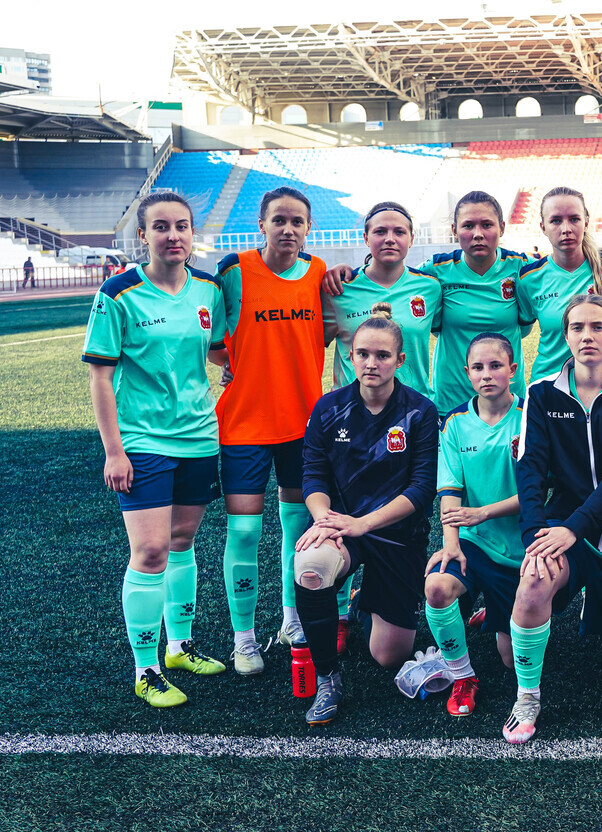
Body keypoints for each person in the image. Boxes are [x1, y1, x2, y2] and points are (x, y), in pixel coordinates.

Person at [83, 192, 228, 708]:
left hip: (199, 436)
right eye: (161, 227)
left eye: (182, 226)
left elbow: (217, 350)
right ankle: (145, 670)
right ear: (142, 235)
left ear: (192, 233)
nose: (173, 235)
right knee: (149, 551)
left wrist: (234, 367)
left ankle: (179, 647)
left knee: (183, 541)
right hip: (142, 441)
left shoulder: (209, 290)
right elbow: (101, 377)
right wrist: (114, 451)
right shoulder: (118, 292)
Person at [502, 294, 602, 743]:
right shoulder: (541, 392)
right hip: (563, 522)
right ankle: (527, 696)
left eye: (598, 327)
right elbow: (530, 469)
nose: (588, 336)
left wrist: (575, 527)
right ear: (565, 336)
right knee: (533, 580)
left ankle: (600, 599)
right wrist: (535, 535)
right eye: (578, 328)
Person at [294, 303, 439, 724]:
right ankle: (328, 679)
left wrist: (364, 523)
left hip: (397, 536)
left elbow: (421, 489)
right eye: (363, 354)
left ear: (400, 360)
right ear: (350, 355)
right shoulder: (328, 408)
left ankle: (366, 599)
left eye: (382, 355)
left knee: (388, 655)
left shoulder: (420, 411)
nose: (371, 363)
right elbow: (313, 475)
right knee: (310, 567)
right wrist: (325, 519)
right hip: (342, 528)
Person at [212, 186, 330, 674]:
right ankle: (243, 638)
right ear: (260, 224)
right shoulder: (234, 271)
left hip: (303, 424)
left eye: (297, 221)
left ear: (308, 228)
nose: (288, 228)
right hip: (244, 423)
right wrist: (233, 363)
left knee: (297, 529)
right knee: (243, 531)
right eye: (278, 219)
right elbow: (211, 337)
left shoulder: (320, 273)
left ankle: (291, 620)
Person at [422, 332, 525, 717]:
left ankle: (493, 610)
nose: (486, 374)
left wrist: (483, 512)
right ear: (466, 373)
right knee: (437, 587)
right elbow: (450, 491)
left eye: (495, 366)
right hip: (473, 543)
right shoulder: (454, 424)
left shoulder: (529, 419)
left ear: (512, 370)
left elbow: (536, 493)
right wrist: (451, 543)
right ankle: (462, 675)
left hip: (519, 550)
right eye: (478, 367)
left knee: (510, 661)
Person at [423, 192, 532, 413]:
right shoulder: (436, 269)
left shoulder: (521, 267)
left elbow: (564, 270)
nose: (478, 234)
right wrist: (351, 274)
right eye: (468, 226)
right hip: (453, 401)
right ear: (454, 230)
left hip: (508, 401)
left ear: (502, 228)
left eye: (487, 225)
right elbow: (394, 279)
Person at [323, 202, 442, 398]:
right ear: (365, 238)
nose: (390, 239)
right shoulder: (339, 288)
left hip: (413, 407)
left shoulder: (430, 288)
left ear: (411, 239)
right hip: (352, 408)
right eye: (380, 231)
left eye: (399, 232)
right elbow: (312, 346)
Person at [517, 187, 602, 385]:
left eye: (574, 219)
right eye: (556, 221)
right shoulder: (529, 278)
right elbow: (521, 329)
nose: (566, 229)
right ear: (543, 227)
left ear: (586, 222)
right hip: (548, 387)